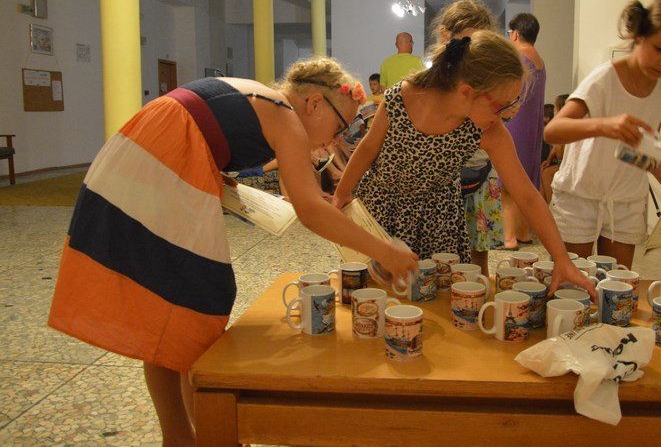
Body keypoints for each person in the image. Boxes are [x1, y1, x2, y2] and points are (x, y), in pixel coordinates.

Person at [48, 58, 418, 446]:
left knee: (169, 309)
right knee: (198, 304)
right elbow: (310, 210)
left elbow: (218, 132)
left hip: (141, 151)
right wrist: (385, 252)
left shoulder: (269, 102)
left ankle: (180, 434)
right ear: (313, 103)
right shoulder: (287, 118)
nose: (334, 143)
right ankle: (206, 431)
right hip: (162, 159)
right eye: (339, 128)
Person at [333, 31, 595, 301]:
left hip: (438, 221)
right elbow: (368, 148)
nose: (507, 114)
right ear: (467, 91)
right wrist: (342, 193)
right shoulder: (402, 97)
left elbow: (527, 195)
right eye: (501, 106)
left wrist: (561, 258)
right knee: (374, 298)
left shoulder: (488, 130)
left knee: (437, 300)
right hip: (381, 212)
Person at [544, 0, 661, 269]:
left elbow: (647, 149)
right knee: (571, 282)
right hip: (580, 196)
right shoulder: (605, 78)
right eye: (659, 49)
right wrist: (604, 125)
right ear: (639, 35)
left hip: (626, 201)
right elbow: (553, 131)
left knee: (618, 285)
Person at [430, 0, 505, 274]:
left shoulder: (489, 82)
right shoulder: (431, 83)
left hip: (480, 174)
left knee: (478, 257)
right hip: (441, 182)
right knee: (439, 260)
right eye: (466, 43)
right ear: (445, 38)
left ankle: (477, 296)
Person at [500, 13, 546, 250]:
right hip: (533, 127)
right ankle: (523, 231)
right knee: (526, 180)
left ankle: (509, 237)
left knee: (508, 183)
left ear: (516, 34)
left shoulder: (516, 58)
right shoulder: (539, 60)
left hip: (515, 124)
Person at [540, 94, 568, 204]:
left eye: (556, 108)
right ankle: (543, 204)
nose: (554, 111)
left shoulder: (565, 126)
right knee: (542, 171)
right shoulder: (559, 125)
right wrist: (549, 159)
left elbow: (559, 147)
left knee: (546, 173)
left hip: (566, 164)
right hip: (560, 162)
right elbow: (556, 147)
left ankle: (551, 205)